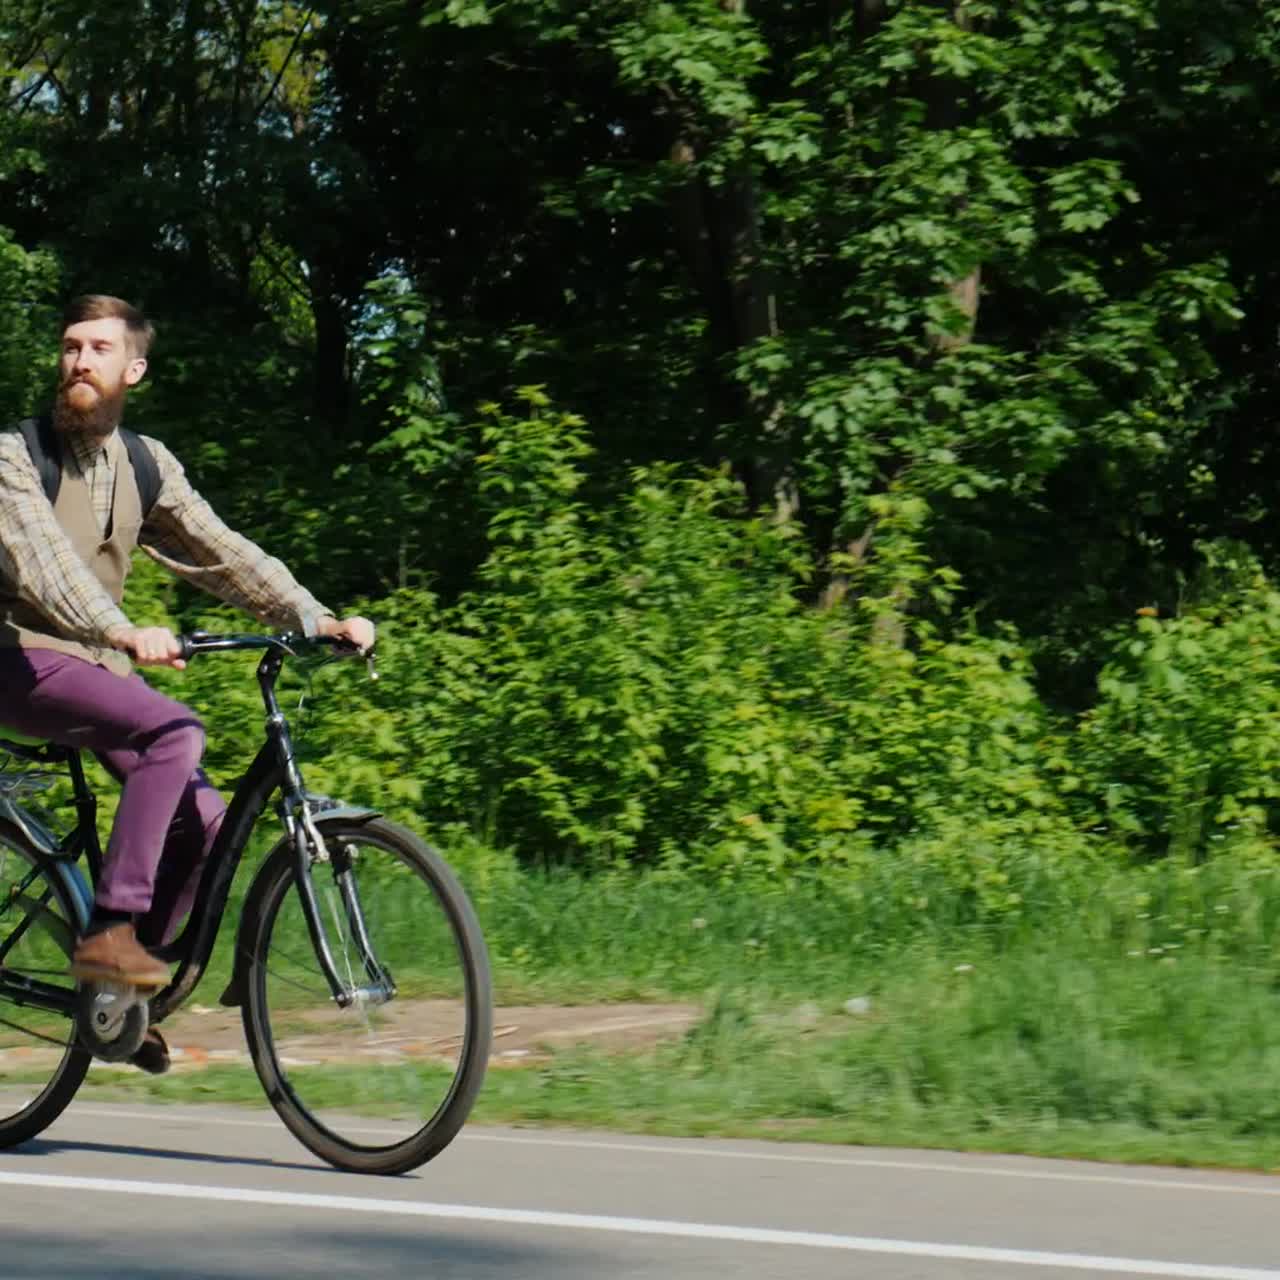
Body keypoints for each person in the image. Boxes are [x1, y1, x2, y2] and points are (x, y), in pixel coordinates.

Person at [0, 294, 373, 1006]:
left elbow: (222, 552)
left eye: (99, 350)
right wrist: (119, 629)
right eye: (72, 347)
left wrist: (317, 619)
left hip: (96, 666)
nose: (80, 362)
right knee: (176, 731)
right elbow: (46, 567)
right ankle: (110, 934)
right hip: (17, 657)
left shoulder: (147, 465)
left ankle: (119, 1001)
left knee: (206, 825)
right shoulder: (15, 457)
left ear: (133, 370)